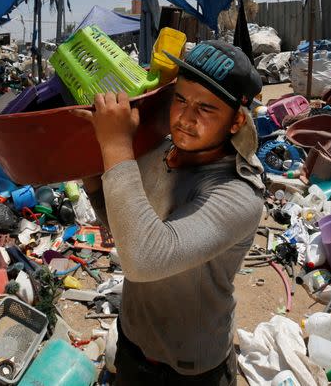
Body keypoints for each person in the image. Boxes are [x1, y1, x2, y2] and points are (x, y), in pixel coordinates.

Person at [75, 40, 265, 385]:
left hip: (190, 366)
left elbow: (144, 258)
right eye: (181, 99)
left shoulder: (238, 195)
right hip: (133, 340)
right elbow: (126, 228)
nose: (186, 119)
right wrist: (91, 172)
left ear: (236, 121)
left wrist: (116, 145)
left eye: (206, 109)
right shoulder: (162, 153)